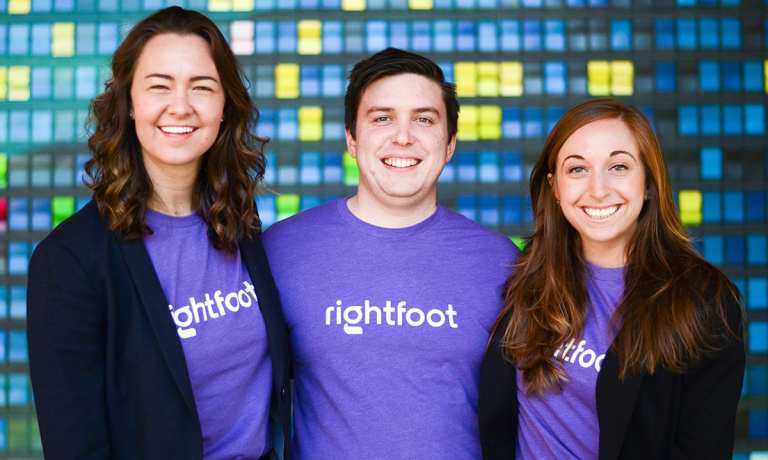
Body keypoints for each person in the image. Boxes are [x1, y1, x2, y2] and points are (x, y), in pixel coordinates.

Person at [26, 7, 290, 460]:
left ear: (224, 107)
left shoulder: (239, 222)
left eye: (201, 87)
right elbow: (75, 445)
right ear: (129, 103)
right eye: (159, 86)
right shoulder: (69, 261)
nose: (181, 106)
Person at [262, 47, 518, 459]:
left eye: (424, 119)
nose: (403, 136)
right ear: (351, 138)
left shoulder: (501, 261)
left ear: (450, 143)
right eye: (382, 118)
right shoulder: (281, 250)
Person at [479, 98, 745, 459]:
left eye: (618, 167)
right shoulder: (525, 276)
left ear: (648, 183)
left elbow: (703, 449)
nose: (598, 190)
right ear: (555, 187)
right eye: (578, 169)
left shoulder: (705, 302)